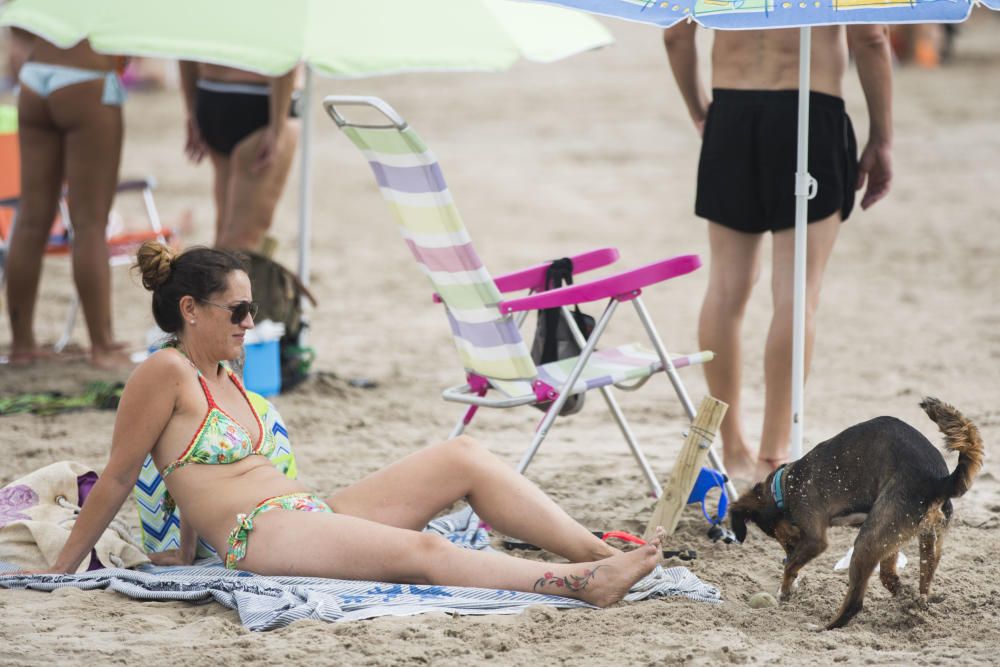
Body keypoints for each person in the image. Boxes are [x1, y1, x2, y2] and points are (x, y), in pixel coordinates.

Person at [11, 241, 662, 607]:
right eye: (237, 309)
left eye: (252, 307)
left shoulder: (228, 377)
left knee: (462, 453)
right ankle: (578, 583)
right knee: (426, 552)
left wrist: (182, 550)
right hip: (257, 536)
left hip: (305, 512)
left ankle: (603, 555)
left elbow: (186, 474)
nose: (249, 321)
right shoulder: (165, 373)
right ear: (190, 308)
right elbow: (126, 471)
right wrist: (65, 569)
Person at [662, 25, 893, 482]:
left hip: (732, 110)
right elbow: (871, 38)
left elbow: (675, 36)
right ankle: (774, 456)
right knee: (796, 291)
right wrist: (882, 138)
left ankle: (731, 449)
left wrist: (700, 112)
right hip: (811, 109)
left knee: (727, 289)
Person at [5, 37, 131, 368]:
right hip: (86, 75)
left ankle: (22, 346)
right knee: (89, 223)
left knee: (31, 218)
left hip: (35, 74)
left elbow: (20, 25)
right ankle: (102, 346)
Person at [178, 62, 299, 252]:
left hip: (211, 90)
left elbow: (183, 43)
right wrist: (278, 128)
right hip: (262, 98)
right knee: (242, 244)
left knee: (225, 235)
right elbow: (287, 46)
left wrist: (191, 109)